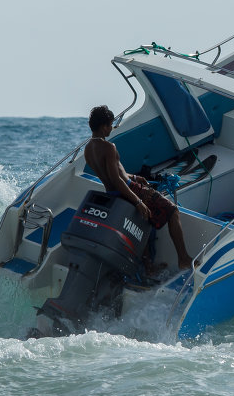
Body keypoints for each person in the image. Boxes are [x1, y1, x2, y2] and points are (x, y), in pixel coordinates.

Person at [83, 105, 194, 272]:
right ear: (103, 125)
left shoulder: (88, 149)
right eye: (110, 124)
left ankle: (148, 267)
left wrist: (134, 177)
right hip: (128, 190)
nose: (112, 128)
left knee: (143, 223)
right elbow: (117, 179)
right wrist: (138, 201)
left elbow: (112, 174)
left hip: (112, 193)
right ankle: (184, 259)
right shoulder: (108, 147)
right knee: (172, 211)